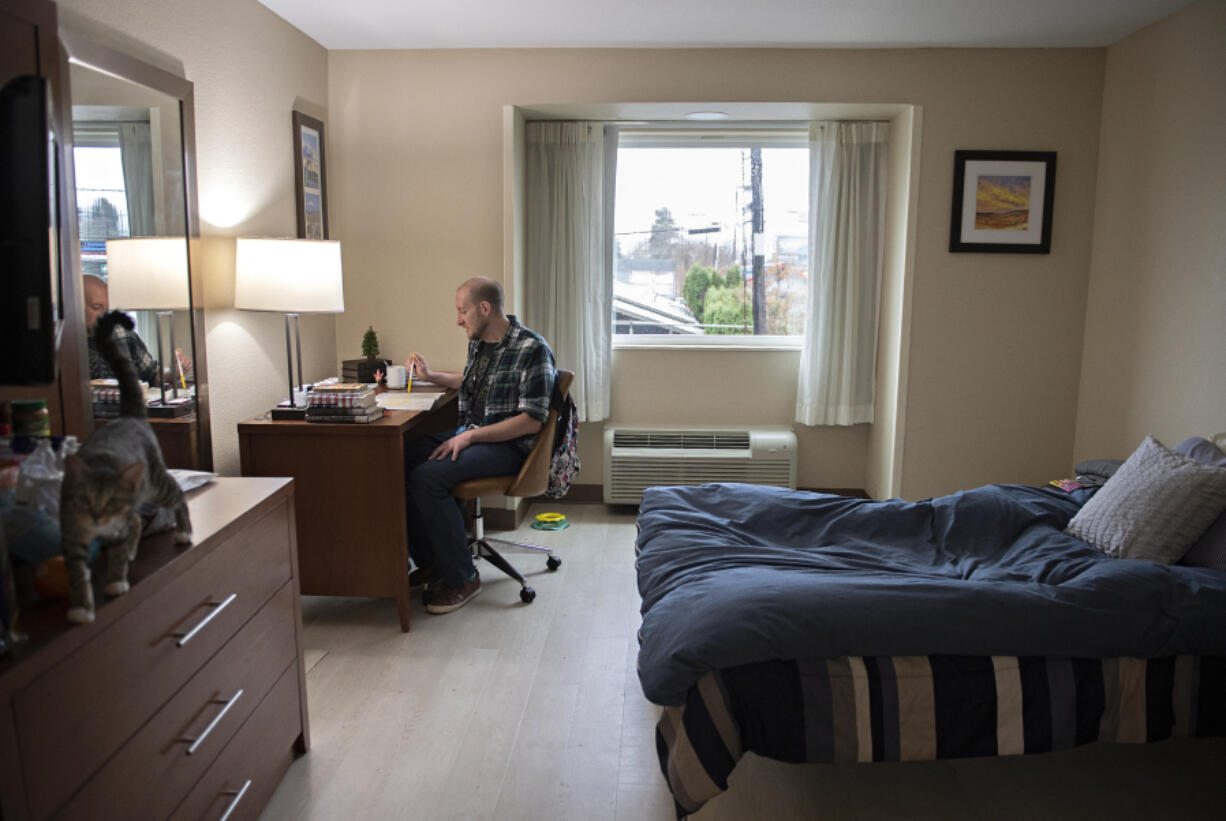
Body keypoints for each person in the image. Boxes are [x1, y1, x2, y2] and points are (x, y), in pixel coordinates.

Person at [403, 276, 555, 615]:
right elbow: (469, 379)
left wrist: (469, 436)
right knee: (400, 456)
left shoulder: (532, 348)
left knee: (427, 477)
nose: (459, 320)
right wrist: (431, 376)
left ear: (484, 308)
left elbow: (532, 419)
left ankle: (462, 577)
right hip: (471, 433)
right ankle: (432, 561)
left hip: (509, 447)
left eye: (463, 311)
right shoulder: (479, 343)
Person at [83, 274, 160, 385]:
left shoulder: (123, 334)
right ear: (76, 306)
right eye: (97, 307)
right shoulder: (64, 346)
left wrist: (172, 373)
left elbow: (152, 377)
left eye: (106, 309)